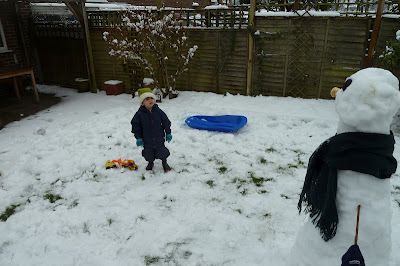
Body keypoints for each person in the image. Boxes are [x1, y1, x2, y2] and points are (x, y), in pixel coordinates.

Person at [131, 88, 172, 172]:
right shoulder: (139, 114)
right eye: (147, 99)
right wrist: (138, 138)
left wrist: (168, 133)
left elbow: (166, 122)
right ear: (142, 102)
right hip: (146, 139)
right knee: (148, 152)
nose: (150, 100)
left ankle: (164, 162)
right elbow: (135, 126)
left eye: (152, 98)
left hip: (159, 137)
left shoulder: (158, 111)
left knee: (162, 151)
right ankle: (150, 162)